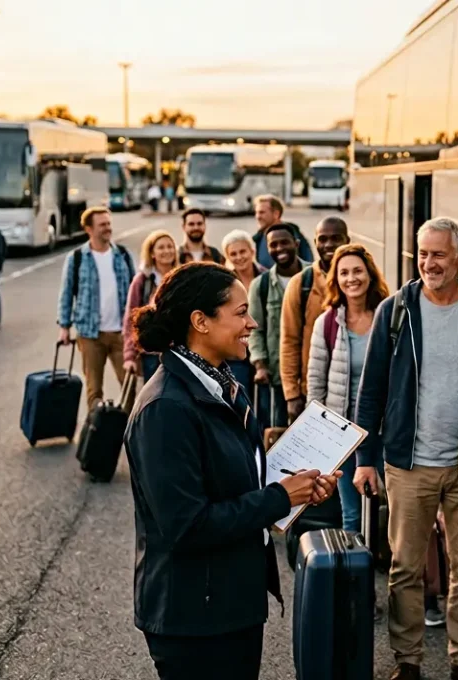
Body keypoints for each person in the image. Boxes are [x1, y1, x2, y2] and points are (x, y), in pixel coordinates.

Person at [125, 261, 341, 680]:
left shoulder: (219, 383)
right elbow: (187, 525)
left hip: (228, 603)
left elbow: (234, 484)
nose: (253, 323)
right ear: (200, 322)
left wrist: (298, 487)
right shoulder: (166, 409)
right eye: (241, 313)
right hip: (195, 620)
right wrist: (280, 497)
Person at [353, 217, 458, 680]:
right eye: (423, 254)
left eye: (439, 254)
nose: (429, 263)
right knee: (405, 569)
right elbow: (372, 392)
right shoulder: (395, 310)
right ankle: (408, 663)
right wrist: (366, 460)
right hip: (408, 465)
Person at [307, 243, 390, 531]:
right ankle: (356, 571)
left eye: (357, 271)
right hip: (343, 435)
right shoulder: (327, 323)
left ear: (370, 275)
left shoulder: (389, 318)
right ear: (336, 279)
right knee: (351, 513)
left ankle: (389, 564)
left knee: (394, 508)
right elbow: (316, 384)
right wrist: (318, 432)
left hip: (385, 430)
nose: (351, 278)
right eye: (344, 273)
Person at [57, 208, 136, 411]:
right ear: (88, 229)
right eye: (102, 225)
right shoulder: (77, 258)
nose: (107, 228)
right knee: (94, 391)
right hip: (91, 335)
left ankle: (128, 432)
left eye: (108, 224)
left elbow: (135, 294)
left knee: (129, 387)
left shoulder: (123, 255)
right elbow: (66, 294)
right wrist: (64, 326)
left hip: (121, 334)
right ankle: (98, 433)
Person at [279, 216, 350, 421]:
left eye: (336, 238)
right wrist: (292, 395)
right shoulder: (301, 284)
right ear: (315, 241)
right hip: (311, 392)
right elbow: (289, 341)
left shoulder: (361, 281)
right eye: (323, 239)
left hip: (354, 393)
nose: (328, 244)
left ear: (347, 240)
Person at [248, 223, 308, 427]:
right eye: (274, 245)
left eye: (285, 243)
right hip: (277, 378)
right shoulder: (260, 285)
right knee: (279, 436)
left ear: (296, 243)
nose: (279, 248)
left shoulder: (313, 277)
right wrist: (260, 365)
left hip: (314, 376)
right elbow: (255, 330)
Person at [124, 230, 179, 381]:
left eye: (170, 246)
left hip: (179, 352)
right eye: (161, 247)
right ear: (152, 253)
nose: (167, 251)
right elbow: (131, 318)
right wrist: (129, 355)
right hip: (151, 354)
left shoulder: (182, 277)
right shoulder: (142, 280)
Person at [222, 229, 267, 391]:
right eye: (233, 254)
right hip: (236, 353)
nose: (239, 257)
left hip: (264, 352)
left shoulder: (266, 278)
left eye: (243, 251)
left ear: (252, 251)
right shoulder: (223, 284)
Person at [252, 194, 313, 267]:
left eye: (262, 212)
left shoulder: (294, 236)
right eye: (256, 212)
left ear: (276, 214)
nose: (257, 217)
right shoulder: (259, 238)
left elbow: (309, 265)